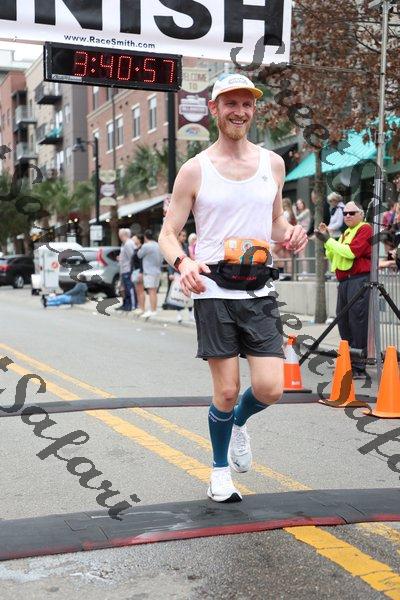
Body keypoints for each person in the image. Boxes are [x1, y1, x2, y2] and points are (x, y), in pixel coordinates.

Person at [158, 73, 307, 503]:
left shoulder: (272, 164)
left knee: (270, 388)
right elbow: (168, 234)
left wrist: (290, 233)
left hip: (259, 291)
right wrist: (184, 262)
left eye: (246, 104)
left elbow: (274, 222)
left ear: (253, 109)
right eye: (230, 104)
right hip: (214, 291)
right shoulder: (195, 170)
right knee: (224, 391)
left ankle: (239, 422)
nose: (239, 111)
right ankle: (219, 471)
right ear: (214, 109)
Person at [315, 201, 372, 379]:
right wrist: (327, 239)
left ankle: (359, 367)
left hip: (358, 280)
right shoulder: (347, 232)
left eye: (351, 213)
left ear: (361, 214)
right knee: (344, 322)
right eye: (345, 213)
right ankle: (348, 362)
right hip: (345, 281)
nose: (347, 216)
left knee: (357, 322)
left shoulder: (365, 229)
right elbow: (333, 254)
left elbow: (351, 253)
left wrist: (328, 240)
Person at [138, 229, 164, 319]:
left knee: (151, 291)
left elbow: (139, 255)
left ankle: (153, 310)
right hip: (157, 270)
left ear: (145, 237)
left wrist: (139, 247)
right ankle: (154, 309)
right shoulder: (158, 245)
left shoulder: (146, 246)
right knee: (154, 291)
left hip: (149, 271)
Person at [272, 197, 297, 276]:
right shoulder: (292, 214)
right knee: (287, 256)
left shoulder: (285, 214)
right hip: (289, 236)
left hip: (283, 236)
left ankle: (281, 267)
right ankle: (289, 274)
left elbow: (281, 225)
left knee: (271, 251)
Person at [117, 228, 136, 312]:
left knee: (128, 288)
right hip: (124, 269)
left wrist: (131, 269)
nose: (119, 237)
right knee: (124, 288)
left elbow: (131, 257)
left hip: (127, 269)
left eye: (120, 235)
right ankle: (126, 304)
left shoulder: (128, 244)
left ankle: (130, 305)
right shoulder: (125, 244)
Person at [294, 199, 311, 273]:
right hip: (300, 233)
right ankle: (303, 271)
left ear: (303, 204)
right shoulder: (300, 213)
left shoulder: (307, 211)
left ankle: (305, 271)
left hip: (304, 233)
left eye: (300, 203)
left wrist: (294, 211)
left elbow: (297, 218)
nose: (299, 205)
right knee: (300, 253)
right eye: (297, 204)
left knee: (302, 253)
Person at [131, 234, 145, 315]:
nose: (133, 240)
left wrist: (141, 272)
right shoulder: (136, 248)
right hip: (135, 270)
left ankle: (142, 308)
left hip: (139, 271)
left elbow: (142, 261)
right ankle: (140, 307)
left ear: (139, 240)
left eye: (135, 238)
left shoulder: (141, 248)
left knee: (141, 290)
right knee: (137, 291)